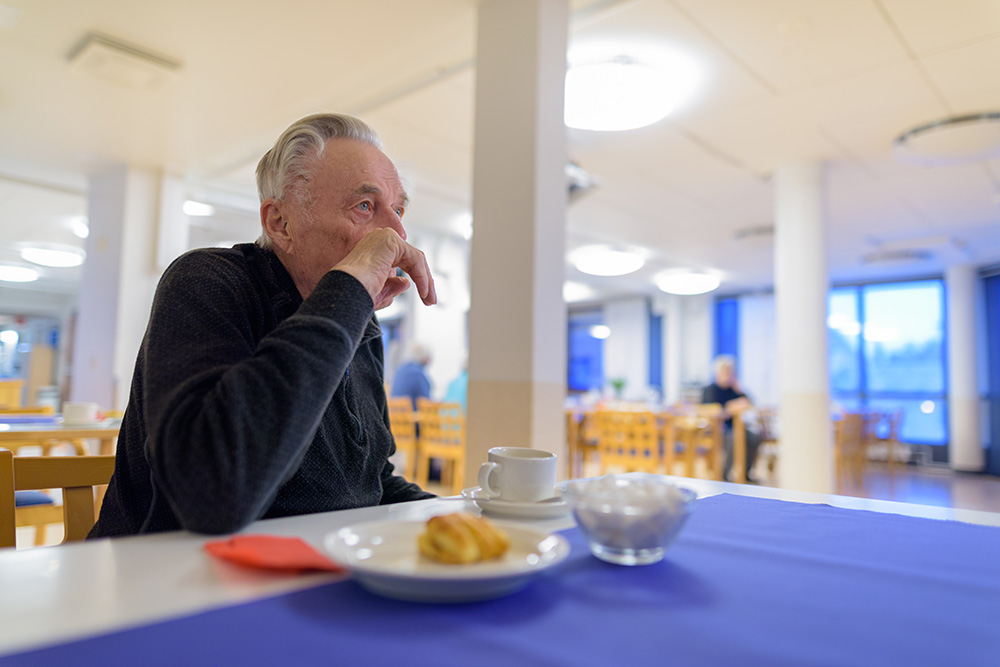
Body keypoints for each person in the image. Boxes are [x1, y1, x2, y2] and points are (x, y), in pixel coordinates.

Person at [90, 113, 437, 538]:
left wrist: (463, 518)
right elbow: (214, 494)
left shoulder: (360, 323)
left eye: (398, 209)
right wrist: (348, 289)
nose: (397, 233)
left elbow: (370, 482)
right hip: (170, 583)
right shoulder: (206, 281)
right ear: (280, 223)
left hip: (317, 574)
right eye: (365, 207)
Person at [702, 355, 762, 483]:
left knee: (754, 437)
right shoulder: (710, 389)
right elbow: (713, 411)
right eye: (725, 371)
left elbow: (748, 402)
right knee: (734, 437)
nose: (728, 374)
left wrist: (738, 389)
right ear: (718, 372)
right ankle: (724, 474)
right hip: (716, 428)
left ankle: (746, 473)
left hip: (735, 426)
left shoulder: (733, 389)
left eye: (730, 371)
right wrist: (731, 408)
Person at [391, 343, 432, 410]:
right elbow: (426, 401)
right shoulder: (418, 374)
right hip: (412, 418)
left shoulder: (400, 369)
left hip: (395, 417)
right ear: (425, 358)